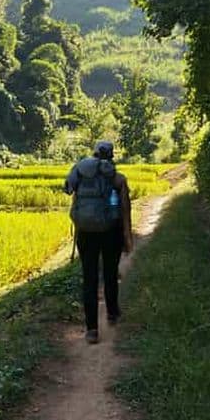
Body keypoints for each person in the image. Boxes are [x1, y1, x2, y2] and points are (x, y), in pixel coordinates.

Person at [64, 141, 134, 344]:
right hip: (110, 232)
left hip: (85, 233)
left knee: (90, 278)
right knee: (110, 273)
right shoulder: (117, 178)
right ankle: (112, 313)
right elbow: (125, 210)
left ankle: (92, 330)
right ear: (111, 156)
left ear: (94, 155)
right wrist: (127, 238)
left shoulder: (81, 172)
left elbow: (70, 191)